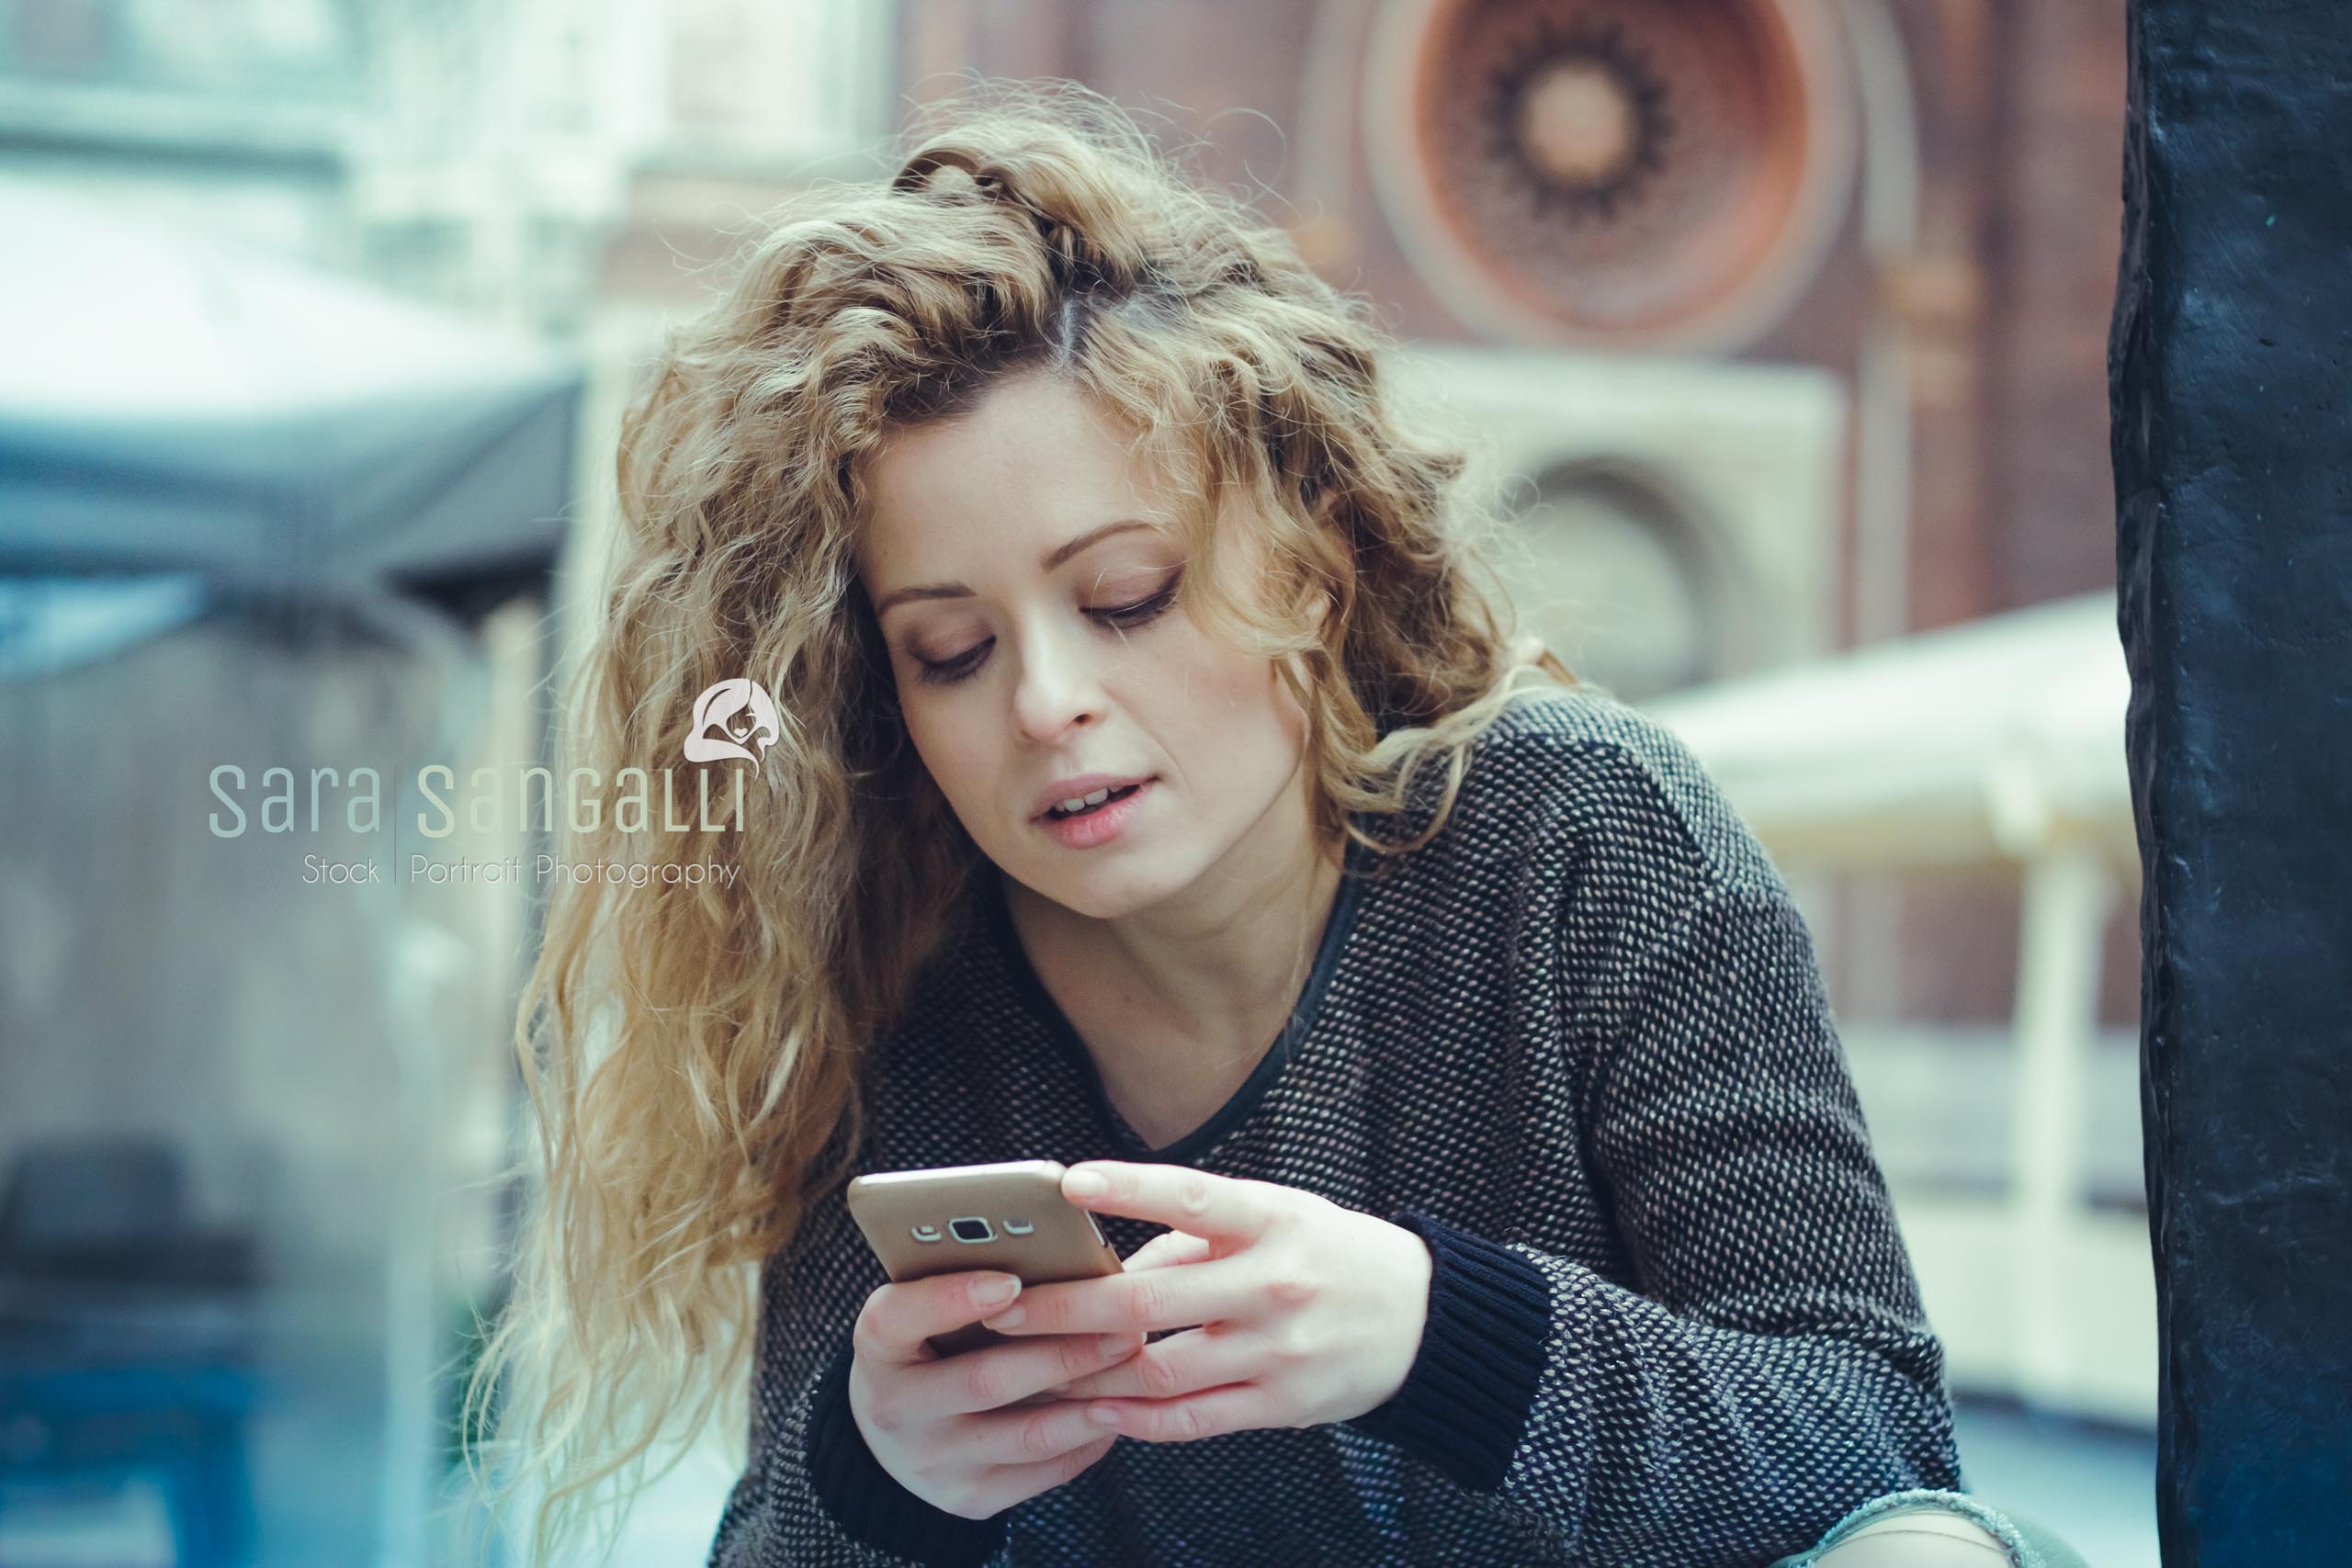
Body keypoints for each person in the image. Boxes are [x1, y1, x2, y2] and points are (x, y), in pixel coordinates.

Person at [466, 79, 2088, 1568]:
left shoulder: (1585, 840)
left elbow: (1877, 1440)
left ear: (1307, 563)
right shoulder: (905, 992)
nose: (1045, 704)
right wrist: (883, 1476)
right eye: (949, 652)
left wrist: (1436, 1336)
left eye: (1127, 596)